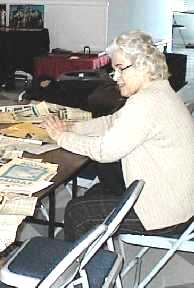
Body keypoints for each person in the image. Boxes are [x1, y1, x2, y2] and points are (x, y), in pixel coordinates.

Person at [41, 30, 194, 241]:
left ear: (142, 65)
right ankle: (91, 252)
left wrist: (61, 137)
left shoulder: (145, 103)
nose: (116, 77)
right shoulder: (159, 91)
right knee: (97, 192)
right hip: (178, 200)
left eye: (120, 69)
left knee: (77, 212)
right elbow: (112, 122)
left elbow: (105, 151)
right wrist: (72, 127)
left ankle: (78, 272)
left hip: (166, 213)